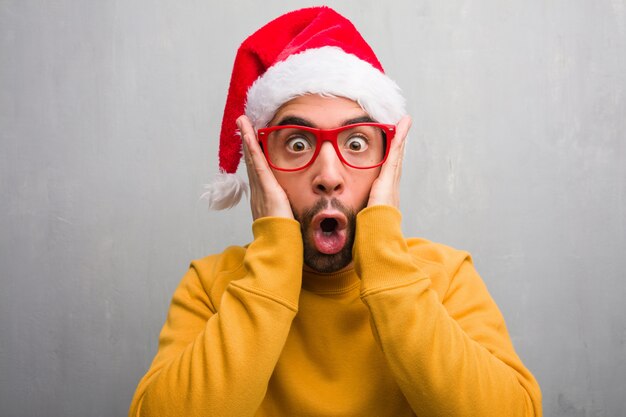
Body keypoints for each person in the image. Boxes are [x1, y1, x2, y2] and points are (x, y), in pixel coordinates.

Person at [129, 6, 542, 417]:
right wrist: (273, 262)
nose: (329, 175)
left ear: (388, 162)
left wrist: (387, 265)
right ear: (259, 165)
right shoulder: (210, 286)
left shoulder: (446, 278)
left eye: (357, 143)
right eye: (297, 143)